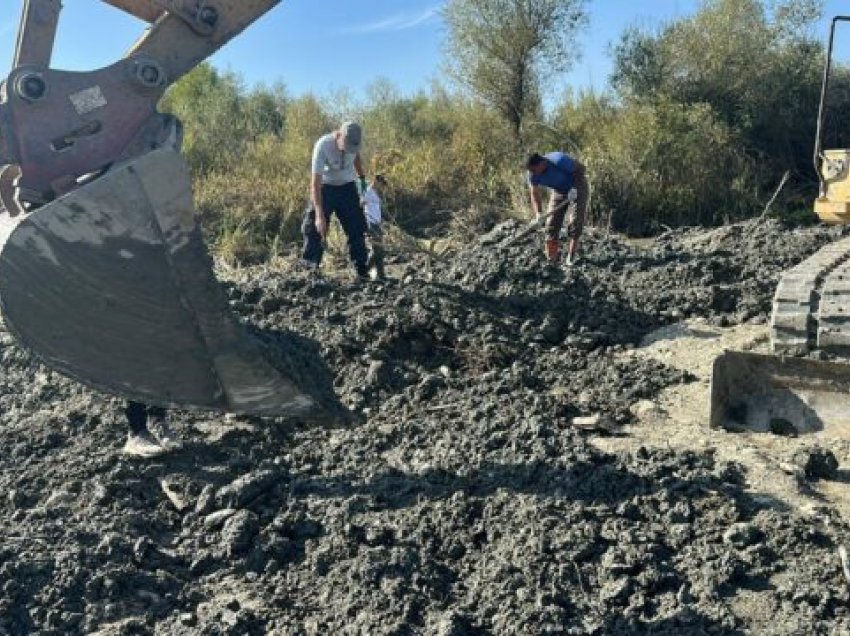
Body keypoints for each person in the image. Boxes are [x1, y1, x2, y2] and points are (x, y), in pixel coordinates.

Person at [301, 121, 369, 279]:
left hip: (347, 187)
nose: (348, 150)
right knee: (313, 228)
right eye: (346, 146)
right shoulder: (323, 145)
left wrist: (362, 180)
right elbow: (315, 183)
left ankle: (361, 271)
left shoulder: (353, 143)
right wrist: (319, 216)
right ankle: (310, 270)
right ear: (339, 136)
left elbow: (356, 157)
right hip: (325, 187)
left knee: (357, 228)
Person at [526, 151, 589, 265]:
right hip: (559, 190)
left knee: (575, 221)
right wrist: (538, 213)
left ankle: (571, 257)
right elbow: (534, 193)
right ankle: (552, 260)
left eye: (534, 170)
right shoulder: (532, 174)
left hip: (578, 186)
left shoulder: (559, 160)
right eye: (531, 171)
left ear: (542, 163)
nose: (533, 173)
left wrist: (574, 189)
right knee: (551, 224)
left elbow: (581, 169)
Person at [362, 174, 388, 280]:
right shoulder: (368, 191)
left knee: (379, 249)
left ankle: (380, 275)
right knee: (378, 249)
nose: (382, 186)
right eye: (381, 184)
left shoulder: (377, 193)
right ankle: (364, 271)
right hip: (371, 223)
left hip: (377, 223)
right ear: (376, 181)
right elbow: (360, 204)